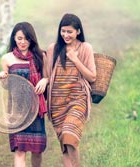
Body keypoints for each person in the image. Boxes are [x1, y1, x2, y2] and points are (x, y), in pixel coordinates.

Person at [43, 13, 97, 167]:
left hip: (77, 99)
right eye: (63, 31)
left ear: (78, 31)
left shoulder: (85, 48)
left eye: (70, 32)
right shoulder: (53, 49)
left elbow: (92, 77)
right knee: (65, 144)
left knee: (70, 137)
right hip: (57, 102)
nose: (65, 35)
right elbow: (47, 75)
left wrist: (75, 59)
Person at [0, 22, 48, 167]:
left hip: (35, 109)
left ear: (32, 39)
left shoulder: (41, 56)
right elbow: (7, 86)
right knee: (20, 150)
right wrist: (3, 77)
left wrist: (45, 79)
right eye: (19, 38)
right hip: (17, 110)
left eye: (26, 39)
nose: (23, 42)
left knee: (37, 151)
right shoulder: (7, 58)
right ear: (14, 38)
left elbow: (47, 76)